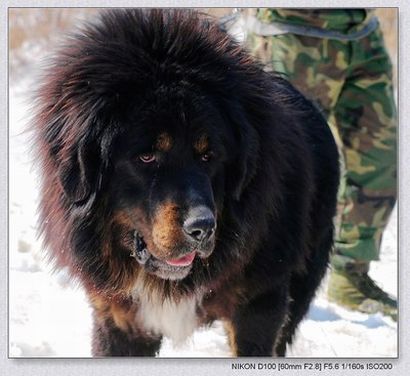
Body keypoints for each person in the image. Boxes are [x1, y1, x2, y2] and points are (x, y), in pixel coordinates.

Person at [245, 8, 397, 320]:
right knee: (284, 171)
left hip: (361, 31)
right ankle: (253, 291)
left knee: (381, 157)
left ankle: (350, 276)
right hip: (293, 31)